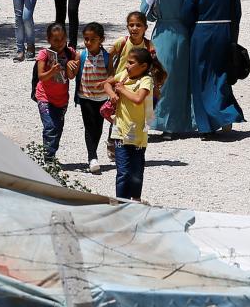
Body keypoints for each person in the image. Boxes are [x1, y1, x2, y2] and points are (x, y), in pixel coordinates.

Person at [181, 0, 244, 135]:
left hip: (201, 33)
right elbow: (237, 12)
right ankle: (226, 114)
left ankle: (206, 126)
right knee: (221, 74)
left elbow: (186, 14)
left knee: (200, 77)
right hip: (223, 32)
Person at [146, 0, 194, 135]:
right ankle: (180, 122)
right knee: (181, 80)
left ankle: (160, 121)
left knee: (160, 79)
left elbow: (147, 13)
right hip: (183, 34)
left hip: (162, 35)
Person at [107, 46, 163, 200]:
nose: (127, 66)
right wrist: (112, 93)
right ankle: (121, 203)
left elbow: (139, 99)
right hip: (120, 132)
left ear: (143, 66)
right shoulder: (124, 74)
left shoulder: (146, 80)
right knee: (123, 172)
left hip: (139, 134)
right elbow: (107, 83)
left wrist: (121, 89)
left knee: (137, 171)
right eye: (127, 62)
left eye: (131, 63)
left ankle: (136, 199)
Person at [73, 23, 114, 174]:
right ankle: (92, 157)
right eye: (86, 39)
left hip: (102, 98)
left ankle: (93, 154)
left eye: (92, 39)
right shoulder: (81, 55)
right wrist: (71, 67)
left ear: (101, 40)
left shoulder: (106, 57)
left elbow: (111, 75)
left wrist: (107, 84)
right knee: (89, 127)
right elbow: (73, 75)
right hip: (85, 96)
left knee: (98, 127)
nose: (88, 43)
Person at [33, 23, 75, 160]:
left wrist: (70, 66)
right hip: (44, 97)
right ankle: (48, 158)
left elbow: (71, 76)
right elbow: (41, 76)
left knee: (58, 128)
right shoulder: (44, 54)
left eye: (62, 39)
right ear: (49, 39)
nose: (60, 43)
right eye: (55, 40)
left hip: (62, 99)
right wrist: (52, 71)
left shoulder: (70, 53)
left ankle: (51, 152)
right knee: (50, 126)